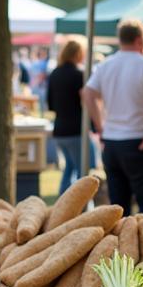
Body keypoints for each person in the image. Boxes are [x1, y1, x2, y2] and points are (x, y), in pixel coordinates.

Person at [81, 18, 143, 226]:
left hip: (113, 143)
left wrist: (102, 126)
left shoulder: (106, 64)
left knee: (119, 209)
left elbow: (88, 93)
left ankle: (123, 255)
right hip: (138, 140)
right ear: (140, 40)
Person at [48, 39, 92, 195]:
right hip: (75, 128)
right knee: (81, 168)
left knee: (70, 166)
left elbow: (50, 104)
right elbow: (87, 101)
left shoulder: (54, 73)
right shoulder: (79, 75)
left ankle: (63, 199)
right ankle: (78, 203)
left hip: (59, 128)